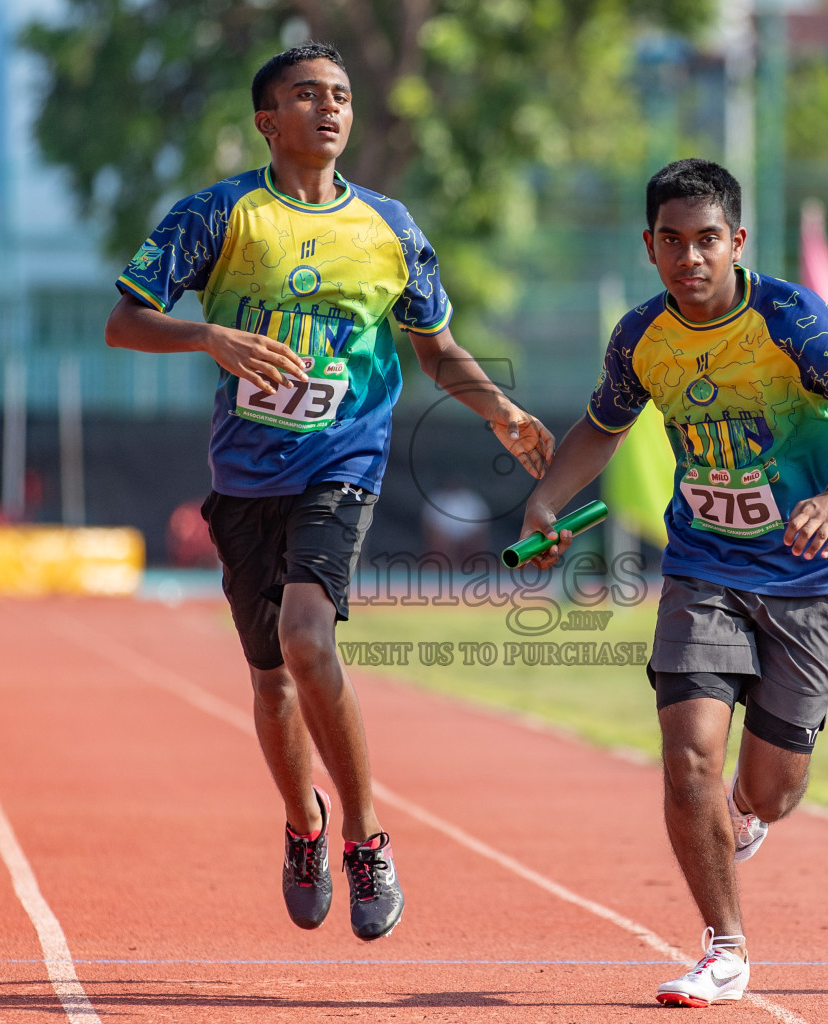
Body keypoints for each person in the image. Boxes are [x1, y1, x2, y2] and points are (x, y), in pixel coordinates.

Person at [106, 43, 555, 942]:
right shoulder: (218, 215)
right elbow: (123, 323)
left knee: (307, 636)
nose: (330, 108)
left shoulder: (389, 227)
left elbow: (433, 348)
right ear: (268, 120)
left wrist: (499, 407)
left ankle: (365, 837)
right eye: (307, 95)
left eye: (341, 96)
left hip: (341, 461)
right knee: (270, 681)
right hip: (243, 476)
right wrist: (212, 341)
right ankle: (303, 826)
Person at [519, 159, 828, 1006]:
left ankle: (747, 809)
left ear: (737, 241)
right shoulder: (641, 336)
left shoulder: (791, 322)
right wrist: (545, 502)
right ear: (650, 245)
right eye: (672, 241)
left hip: (811, 575)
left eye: (707, 240)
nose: (690, 258)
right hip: (704, 565)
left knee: (771, 790)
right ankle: (725, 948)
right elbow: (603, 427)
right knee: (688, 758)